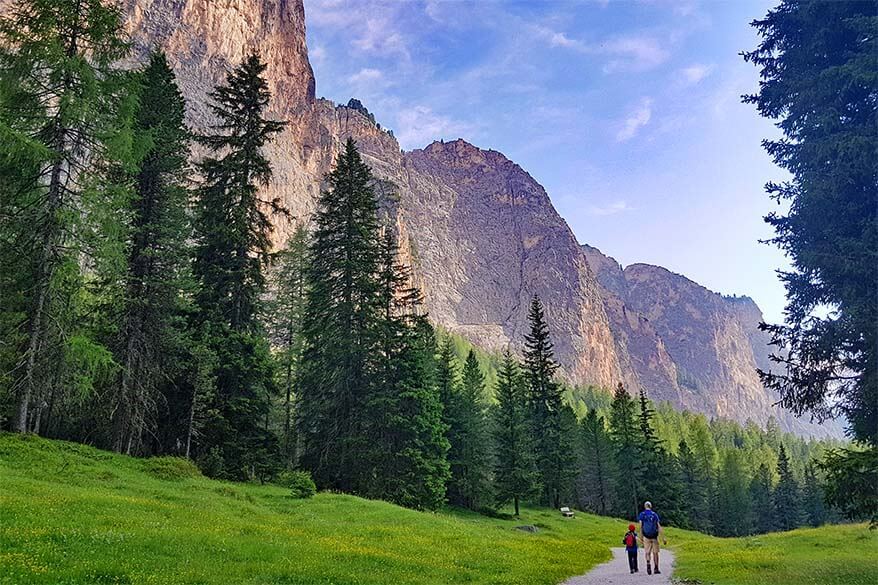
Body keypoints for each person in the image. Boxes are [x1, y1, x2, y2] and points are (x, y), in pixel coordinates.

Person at [638, 501, 667, 575]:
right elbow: (659, 526)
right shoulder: (654, 515)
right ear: (651, 506)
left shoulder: (642, 514)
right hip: (654, 536)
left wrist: (640, 537)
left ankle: (648, 563)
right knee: (655, 553)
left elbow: (640, 526)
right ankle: (656, 568)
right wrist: (663, 537)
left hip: (646, 536)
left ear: (645, 506)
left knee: (647, 552)